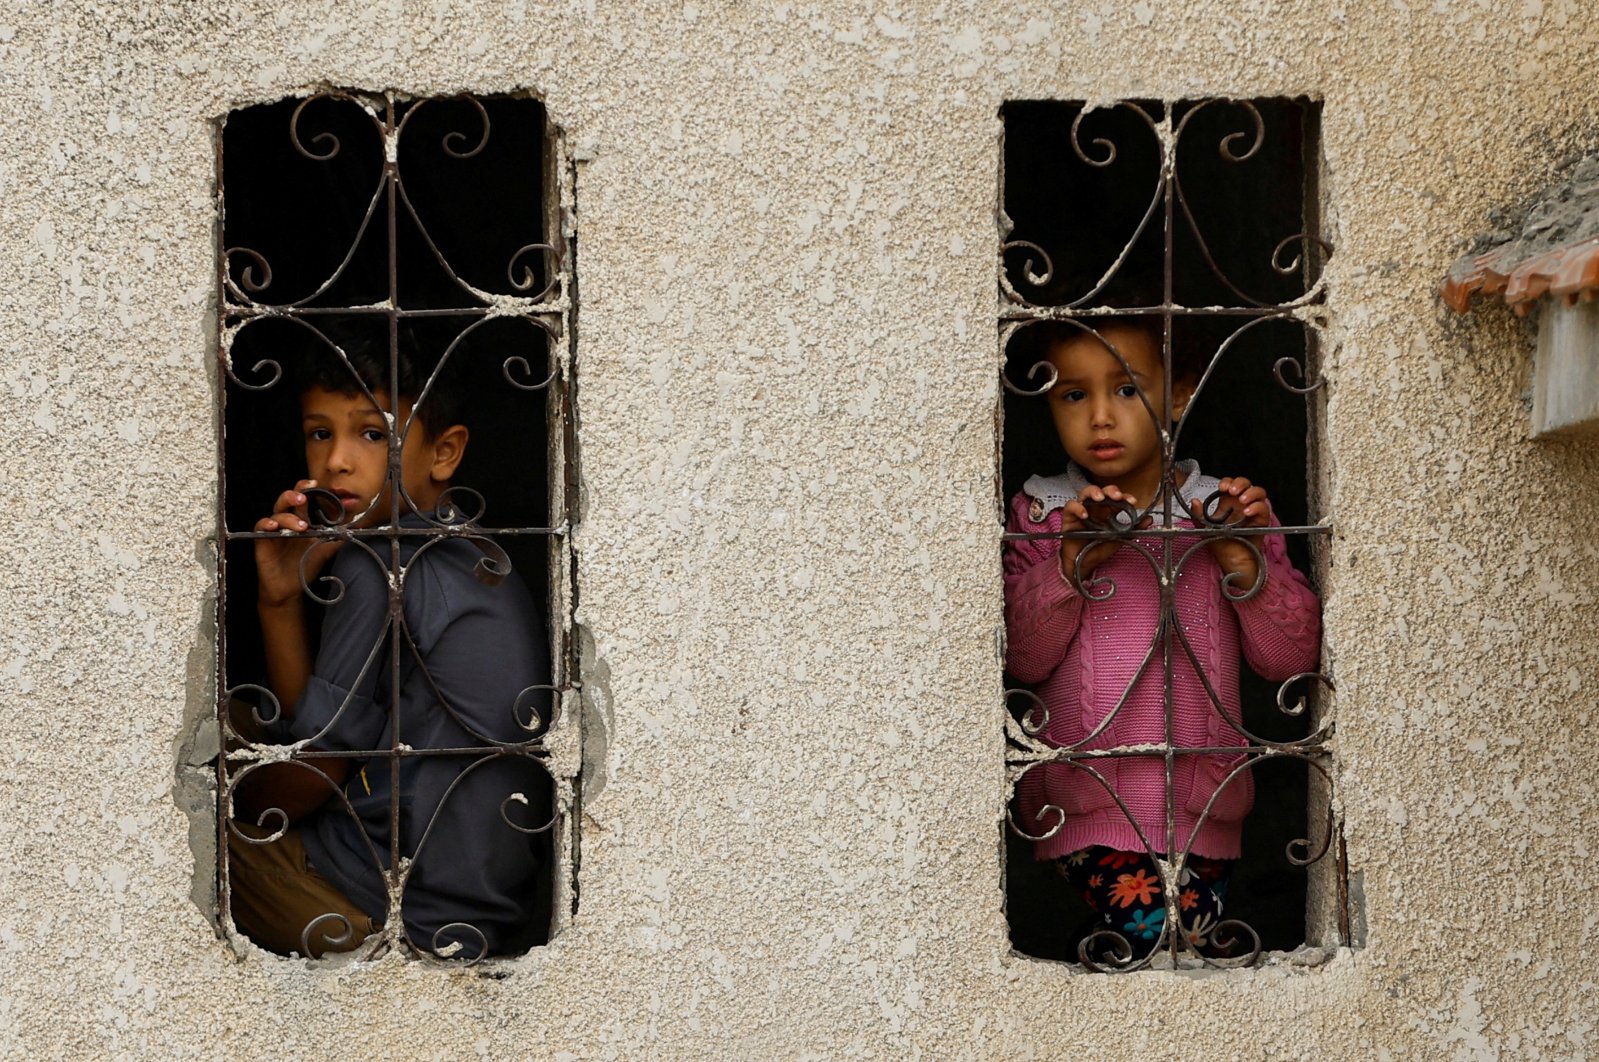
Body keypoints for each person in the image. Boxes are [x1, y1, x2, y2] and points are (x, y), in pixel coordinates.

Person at [1003, 317, 1321, 961]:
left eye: (1126, 391)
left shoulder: (1224, 509)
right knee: (1155, 936)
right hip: (1084, 808)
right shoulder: (1039, 514)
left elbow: (1288, 662)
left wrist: (1244, 561)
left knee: (1165, 959)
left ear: (1178, 394)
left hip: (1206, 811)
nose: (1100, 417)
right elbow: (1022, 660)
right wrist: (1070, 563)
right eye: (1073, 395)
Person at [226, 331, 549, 959]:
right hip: (476, 919)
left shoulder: (380, 565)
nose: (337, 461)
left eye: (372, 434)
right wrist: (282, 600)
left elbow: (314, 772)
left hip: (384, 913)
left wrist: (230, 793)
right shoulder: (473, 552)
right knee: (241, 723)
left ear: (445, 452)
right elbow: (319, 735)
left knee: (168, 817)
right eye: (320, 433)